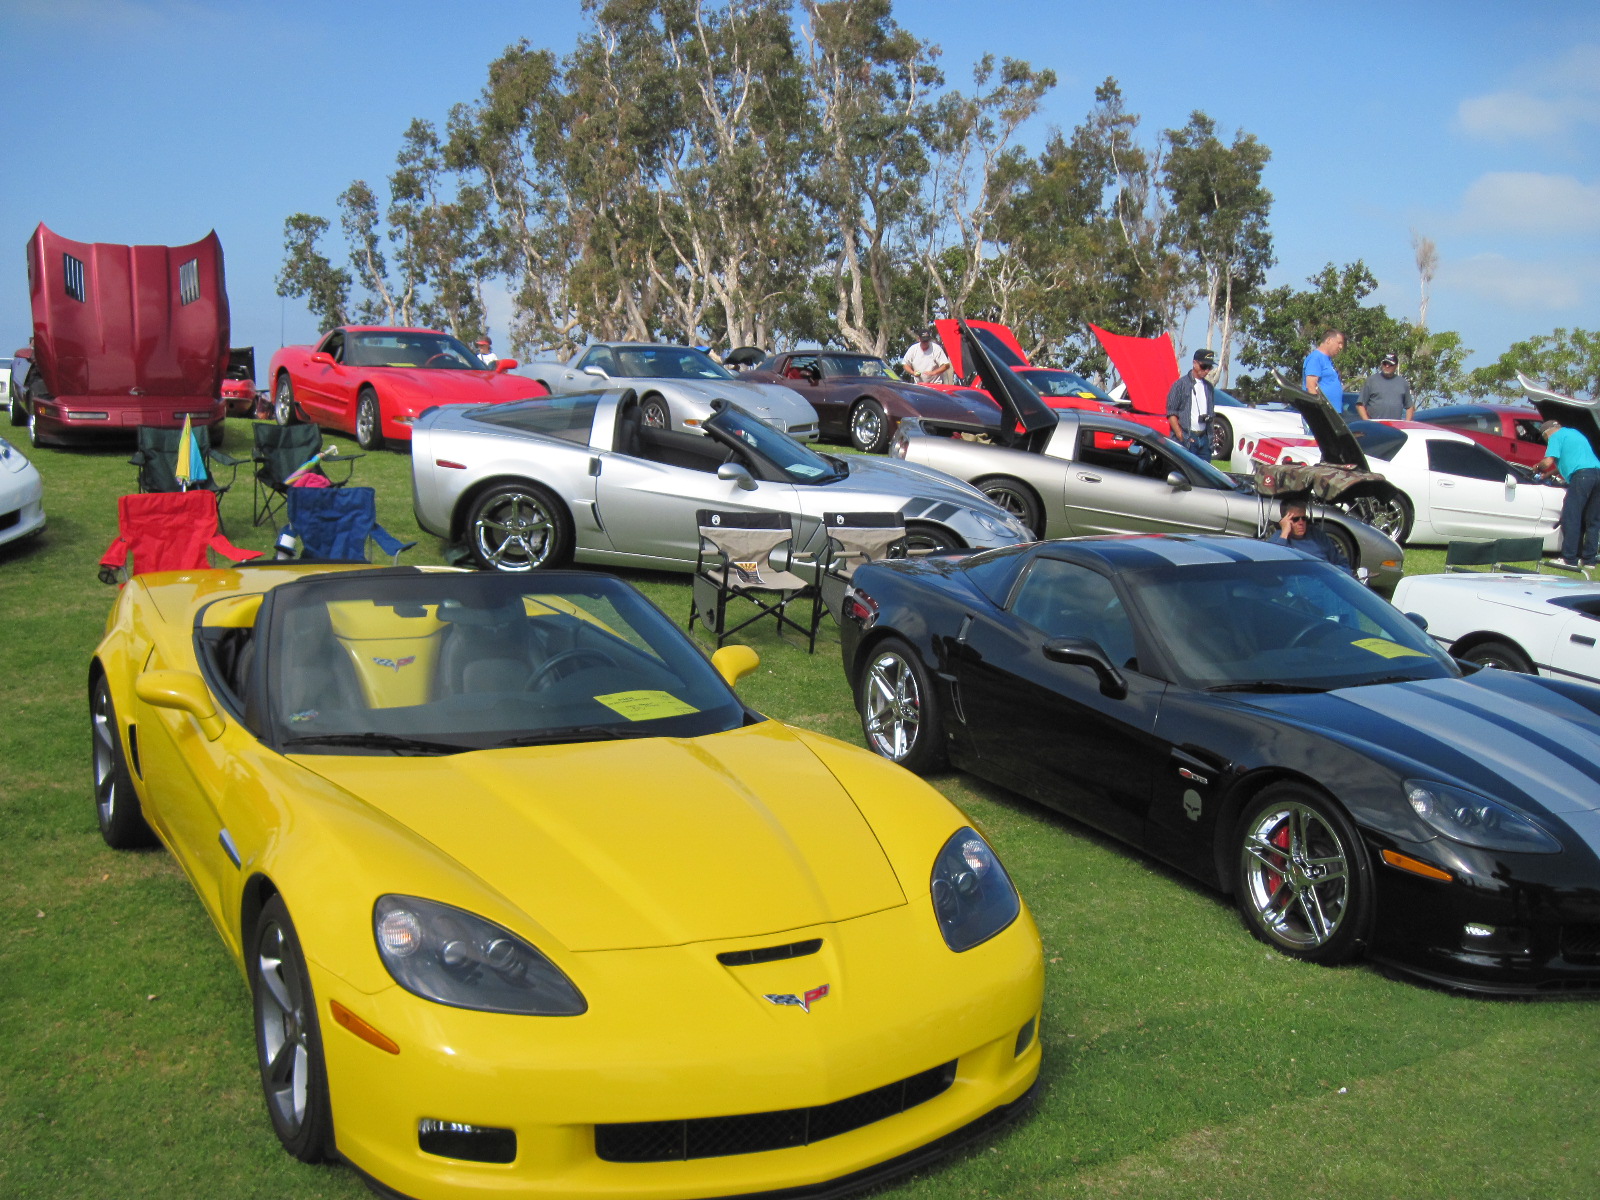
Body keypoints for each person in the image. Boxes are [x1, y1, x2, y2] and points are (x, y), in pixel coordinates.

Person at [1534, 415, 1600, 568]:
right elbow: (1572, 459)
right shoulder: (1574, 433)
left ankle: (1569, 559)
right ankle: (1589, 560)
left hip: (1582, 477)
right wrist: (1548, 474)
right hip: (1597, 474)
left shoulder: (1555, 437)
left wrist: (1537, 467)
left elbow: (1547, 462)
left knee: (1572, 516)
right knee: (1592, 520)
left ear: (1546, 433)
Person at [1266, 499, 1354, 573]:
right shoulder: (1277, 540)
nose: (1301, 522)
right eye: (1295, 519)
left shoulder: (1317, 535)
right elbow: (1273, 567)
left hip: (1325, 579)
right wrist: (1284, 533)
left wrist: (1341, 573)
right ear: (1285, 521)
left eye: (1304, 518)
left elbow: (1340, 561)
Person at [1166, 349, 1217, 457]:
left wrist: (1210, 437)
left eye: (1209, 367)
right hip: (1188, 438)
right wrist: (1180, 435)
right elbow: (1171, 413)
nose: (1207, 370)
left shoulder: (1209, 387)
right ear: (1195, 363)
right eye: (1204, 366)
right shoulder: (1180, 385)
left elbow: (1211, 413)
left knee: (1203, 469)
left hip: (1205, 439)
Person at [1356, 352, 1414, 421]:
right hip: (1375, 425)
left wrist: (1406, 423)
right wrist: (1368, 422)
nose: (1387, 366)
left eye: (1390, 364)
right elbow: (1360, 405)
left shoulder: (1403, 383)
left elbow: (1410, 407)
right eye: (1385, 363)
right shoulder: (1371, 381)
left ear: (1396, 366)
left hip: (1394, 426)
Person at [1303, 328, 1347, 412]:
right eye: (1339, 343)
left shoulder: (1327, 360)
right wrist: (1318, 411)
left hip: (1333, 413)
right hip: (1321, 413)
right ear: (1329, 340)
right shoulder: (1316, 358)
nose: (1341, 347)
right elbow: (1311, 387)